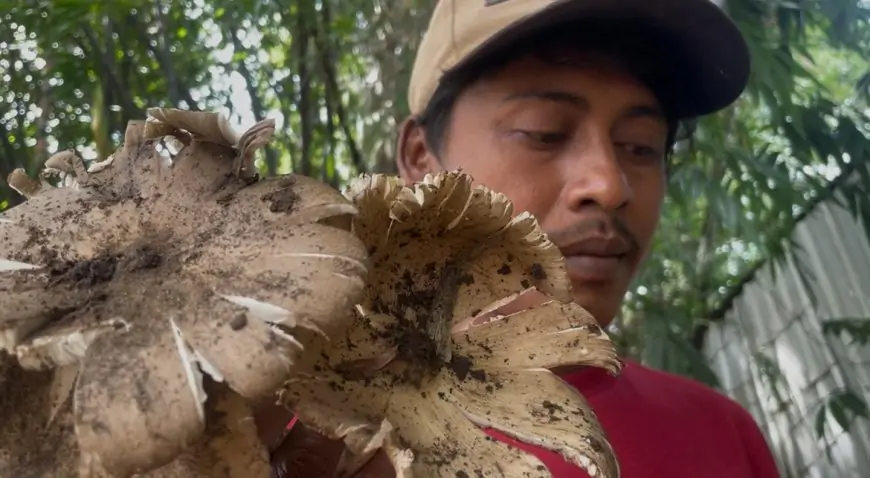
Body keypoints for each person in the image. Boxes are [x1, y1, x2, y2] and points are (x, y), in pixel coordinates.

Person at [263, 0, 783, 476]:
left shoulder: (722, 435)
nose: (609, 184)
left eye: (640, 146)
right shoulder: (276, 434)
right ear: (421, 157)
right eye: (544, 132)